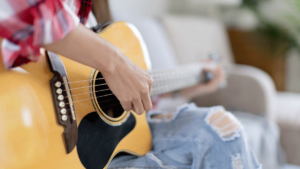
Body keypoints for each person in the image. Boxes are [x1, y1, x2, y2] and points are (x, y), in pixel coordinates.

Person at [0, 0, 261, 168]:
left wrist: (192, 86)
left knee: (221, 127)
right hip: (26, 132)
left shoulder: (91, 17)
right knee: (215, 130)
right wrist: (114, 63)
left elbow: (126, 106)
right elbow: (30, 12)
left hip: (85, 152)